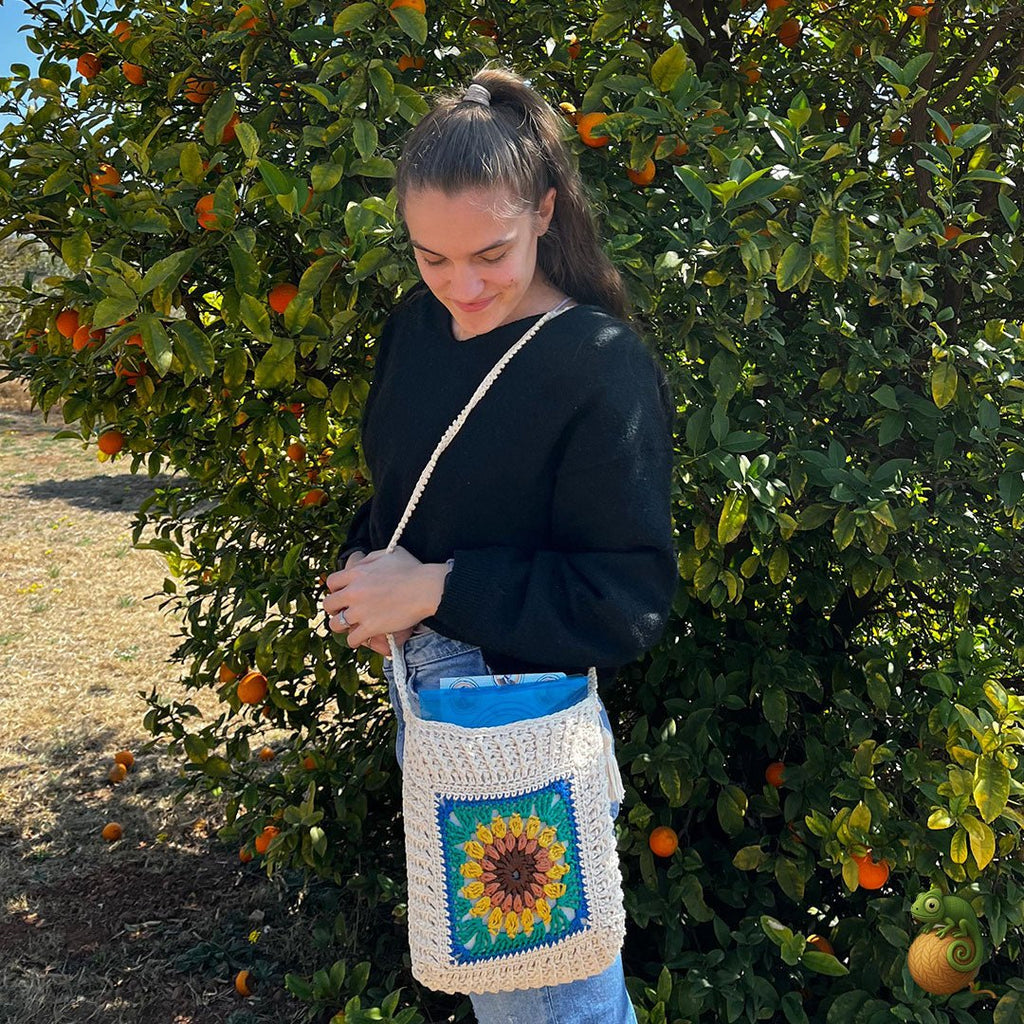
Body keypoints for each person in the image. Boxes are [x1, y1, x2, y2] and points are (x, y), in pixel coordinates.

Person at [321, 64, 676, 1024]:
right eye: (432, 259)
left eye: (490, 252)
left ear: (547, 211)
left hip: (522, 720)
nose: (462, 287)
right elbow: (405, 493)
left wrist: (435, 589)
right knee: (505, 1001)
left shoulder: (599, 366)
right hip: (426, 701)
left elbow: (625, 598)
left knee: (557, 1011)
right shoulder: (416, 329)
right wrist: (368, 572)